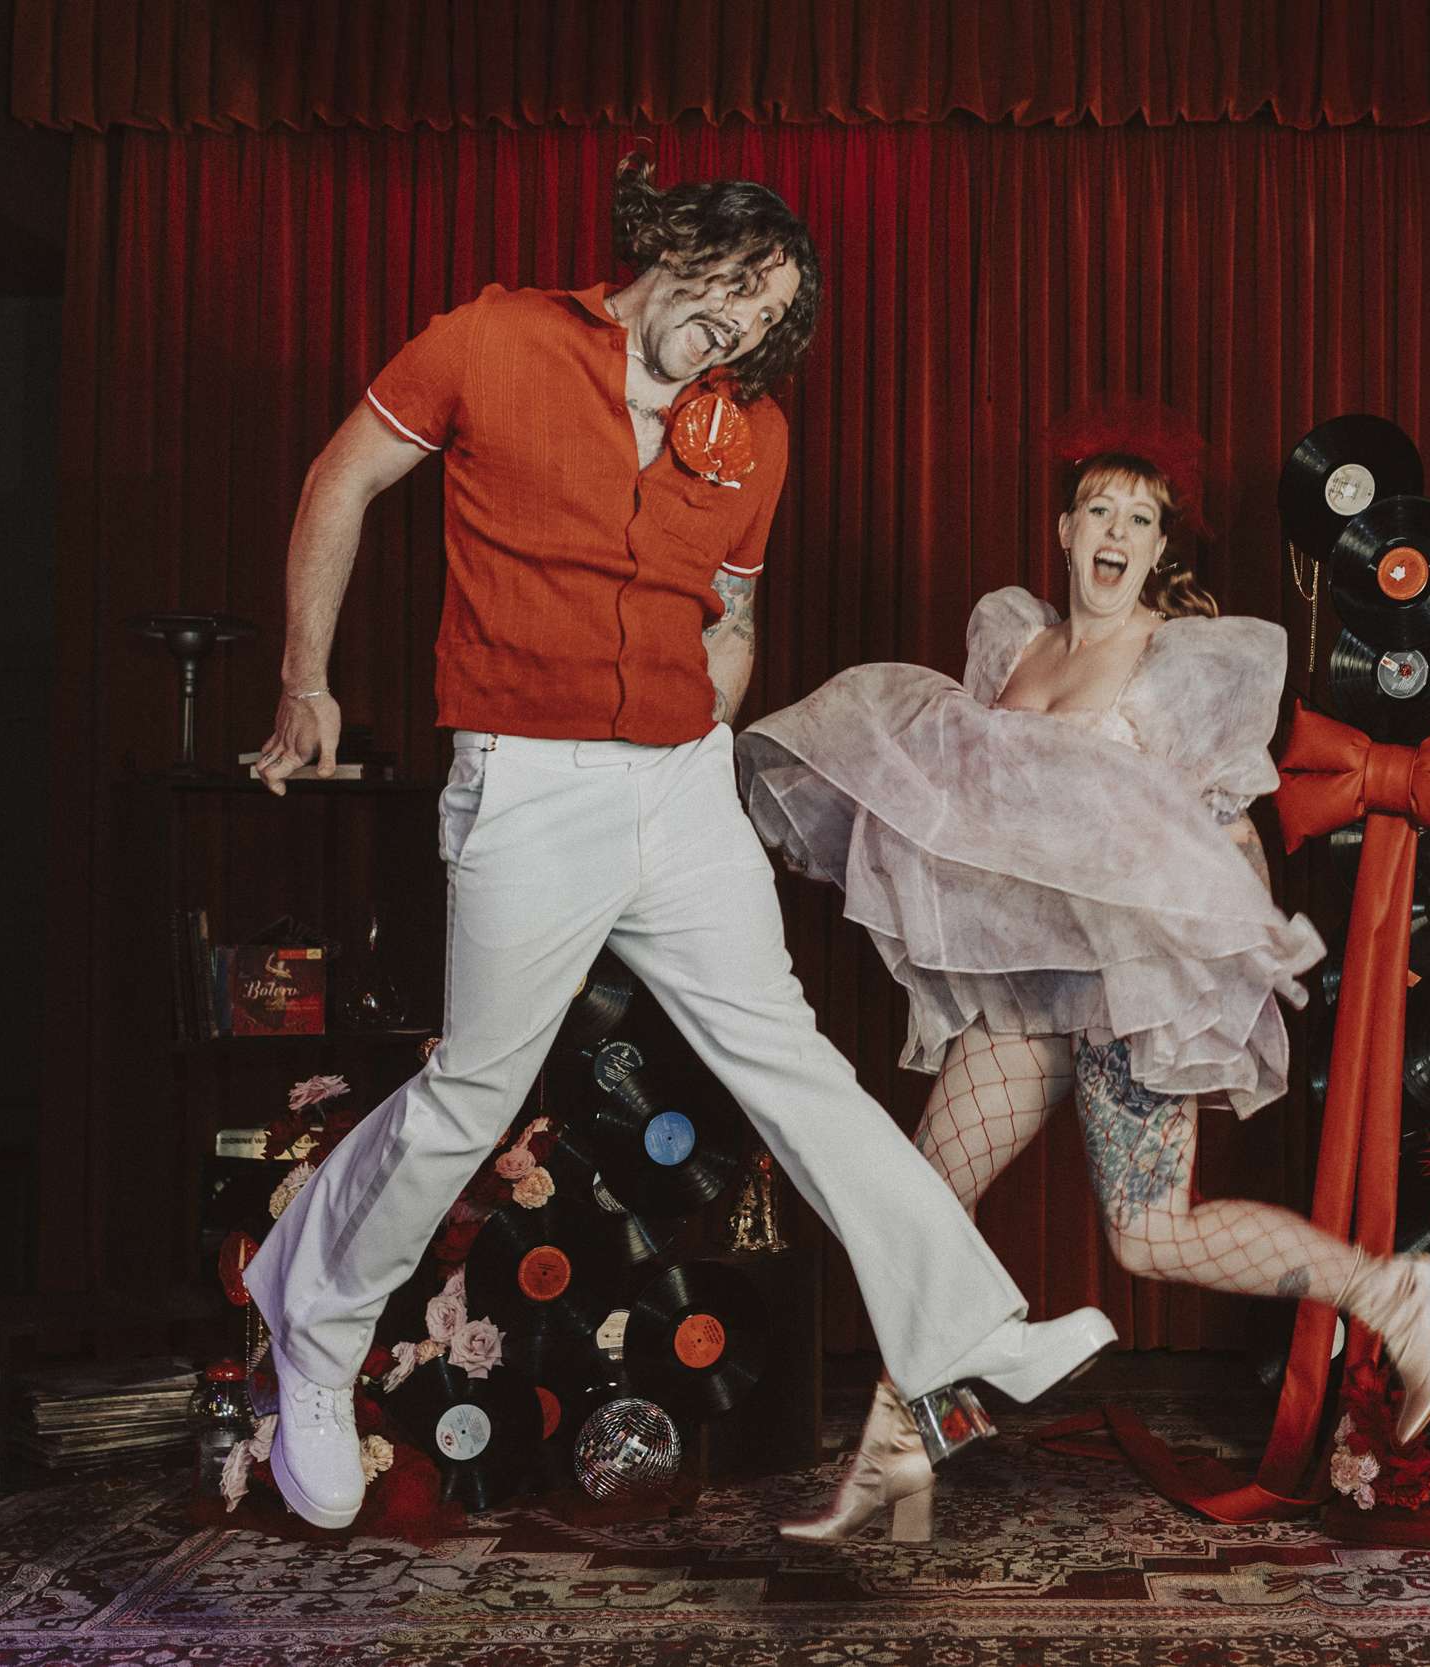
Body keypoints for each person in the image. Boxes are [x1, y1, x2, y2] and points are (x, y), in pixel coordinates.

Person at [238, 155, 1113, 1532]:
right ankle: (317, 1332)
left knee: (791, 1059)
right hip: (529, 777)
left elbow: (734, 614)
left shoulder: (751, 433)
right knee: (473, 1092)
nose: (738, 336)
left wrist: (713, 710)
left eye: (765, 326)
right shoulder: (491, 340)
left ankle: (967, 1326)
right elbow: (340, 481)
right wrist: (307, 679)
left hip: (681, 779)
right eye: (733, 297)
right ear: (676, 246)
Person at [738, 404, 1430, 1542]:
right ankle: (906, 1445)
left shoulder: (1177, 662)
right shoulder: (1013, 644)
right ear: (1064, 528)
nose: (1116, 532)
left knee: (1149, 1235)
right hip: (1030, 981)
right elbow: (966, 803)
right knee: (921, 1203)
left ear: (1159, 545)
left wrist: (1243, 937)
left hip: (1134, 984)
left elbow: (1221, 826)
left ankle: (1388, 1289)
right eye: (1099, 509)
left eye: (1140, 517)